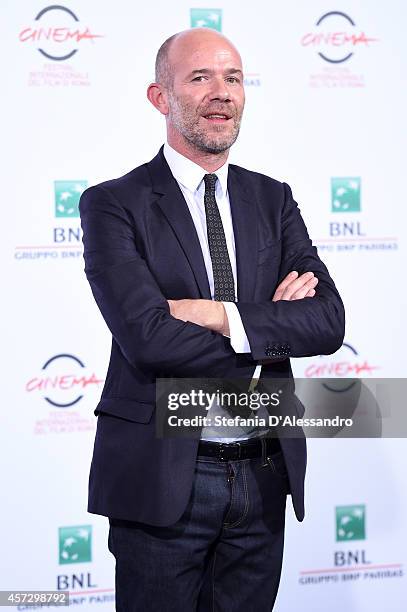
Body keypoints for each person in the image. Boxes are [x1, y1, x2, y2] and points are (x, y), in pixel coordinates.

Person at [79, 27, 345, 611]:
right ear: (160, 97)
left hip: (263, 473)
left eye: (233, 78)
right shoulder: (112, 203)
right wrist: (270, 326)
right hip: (165, 475)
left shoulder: (273, 199)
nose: (221, 92)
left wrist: (218, 316)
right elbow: (147, 339)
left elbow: (328, 321)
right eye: (200, 77)